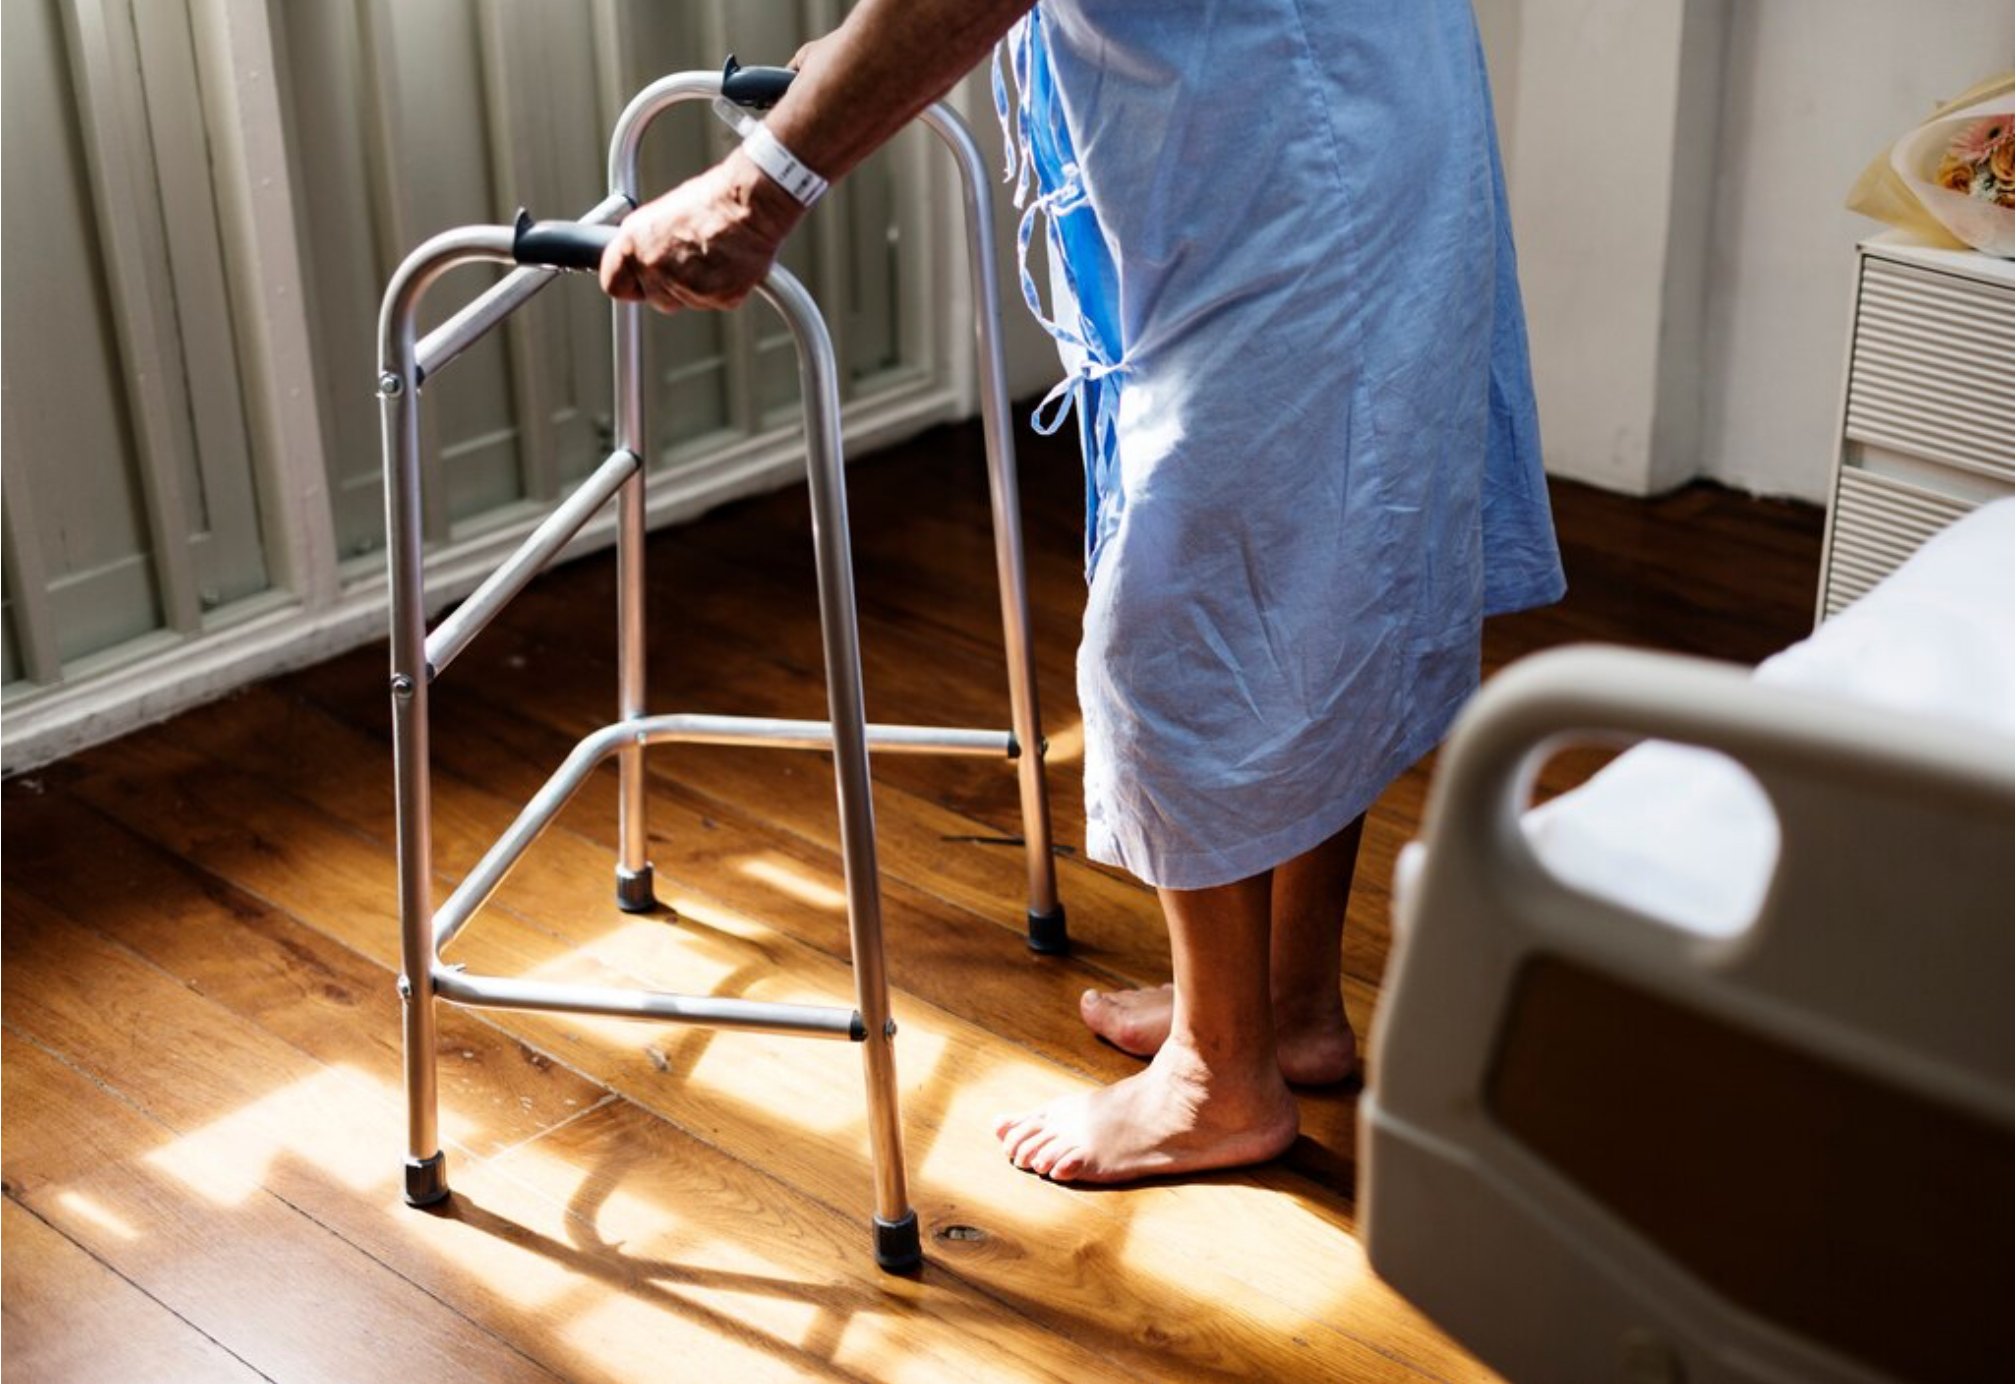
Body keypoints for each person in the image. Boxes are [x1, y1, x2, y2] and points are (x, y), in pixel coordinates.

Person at [601, 0, 1565, 1186]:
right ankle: (1281, 1000)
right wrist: (844, 73)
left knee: (1198, 603)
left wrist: (764, 180)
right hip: (1326, 111)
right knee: (1325, 566)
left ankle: (1222, 1079)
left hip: (1295, 150)